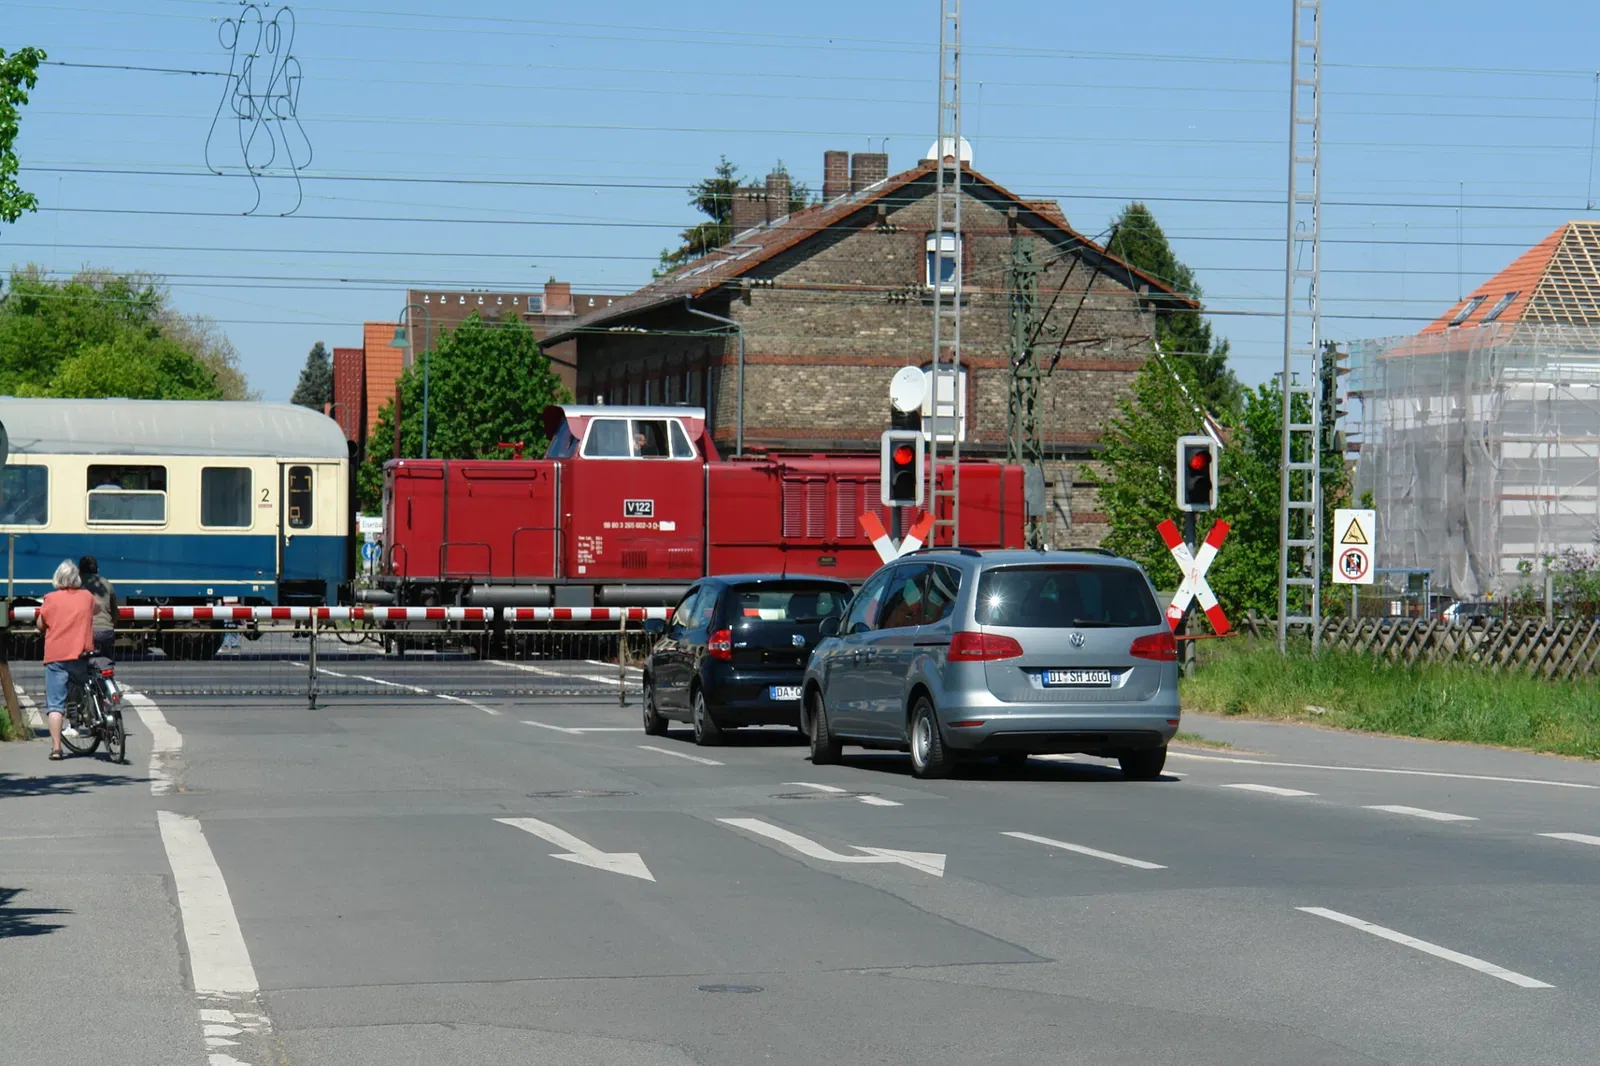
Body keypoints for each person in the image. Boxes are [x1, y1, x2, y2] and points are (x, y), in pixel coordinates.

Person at [36, 560, 95, 761]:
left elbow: (40, 623)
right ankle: (95, 718)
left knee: (55, 705)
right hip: (80, 654)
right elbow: (93, 612)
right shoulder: (87, 597)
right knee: (87, 686)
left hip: (56, 657)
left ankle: (56, 749)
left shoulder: (50, 599)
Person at [79, 555, 117, 659]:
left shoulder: (77, 584)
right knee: (106, 656)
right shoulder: (106, 583)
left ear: (79, 570)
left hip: (85, 632)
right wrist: (111, 623)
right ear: (97, 570)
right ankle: (108, 670)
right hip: (106, 630)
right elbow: (114, 610)